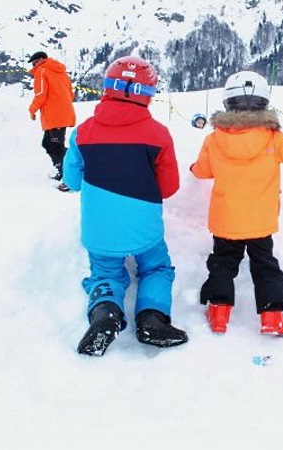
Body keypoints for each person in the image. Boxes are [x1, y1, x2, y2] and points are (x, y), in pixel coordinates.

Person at [63, 56, 188, 356]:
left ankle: (106, 313)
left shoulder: (82, 132)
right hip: (145, 229)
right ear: (148, 93)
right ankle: (151, 317)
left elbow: (73, 180)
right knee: (156, 267)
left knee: (105, 274)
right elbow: (169, 188)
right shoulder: (158, 134)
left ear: (108, 87)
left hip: (99, 232)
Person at [190, 70, 283, 336]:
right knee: (265, 265)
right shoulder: (272, 138)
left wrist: (193, 168)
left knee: (222, 263)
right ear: (264, 102)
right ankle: (273, 317)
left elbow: (203, 172)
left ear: (228, 101)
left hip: (225, 220)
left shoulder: (214, 139)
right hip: (260, 221)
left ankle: (218, 313)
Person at [27, 51, 76, 184]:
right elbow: (70, 94)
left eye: (34, 62)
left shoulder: (42, 71)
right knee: (50, 144)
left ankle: (67, 174)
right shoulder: (61, 72)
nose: (34, 65)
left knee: (54, 146)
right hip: (63, 114)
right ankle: (66, 169)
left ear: (42, 59)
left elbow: (41, 94)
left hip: (55, 116)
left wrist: (32, 109)